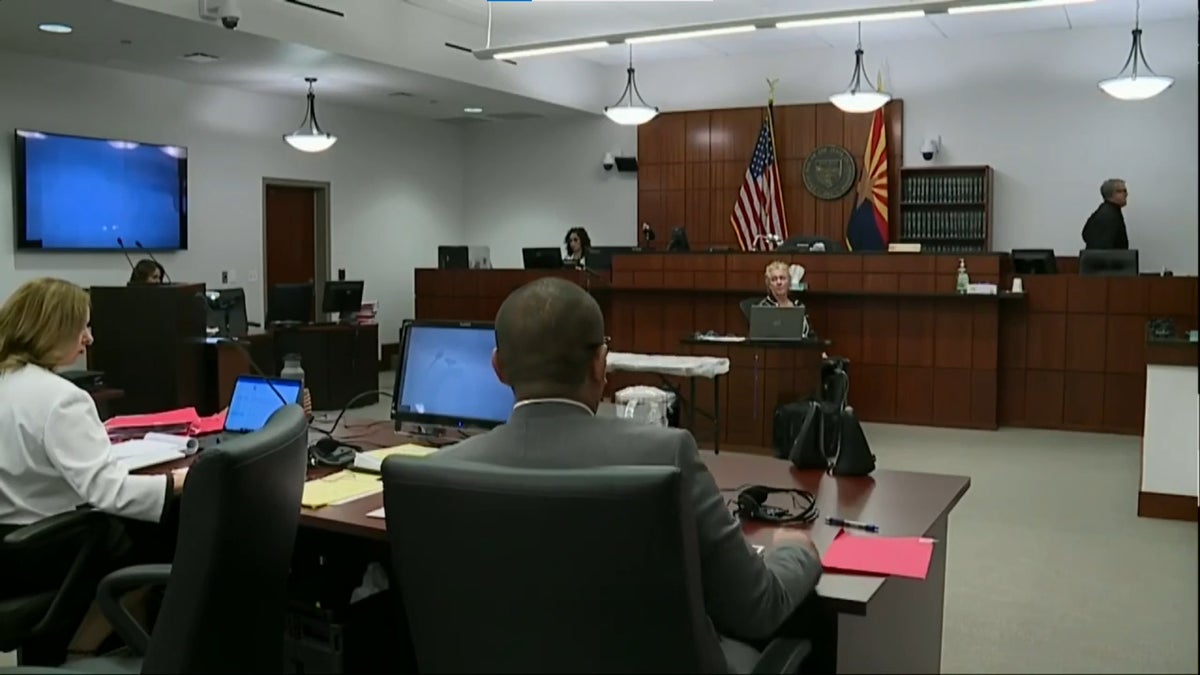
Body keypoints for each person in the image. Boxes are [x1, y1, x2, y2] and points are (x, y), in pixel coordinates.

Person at [437, 277, 822, 672]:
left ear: (497, 368)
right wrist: (796, 549)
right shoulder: (665, 454)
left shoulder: (440, 473)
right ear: (600, 364)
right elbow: (756, 607)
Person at [0, 278, 187, 624]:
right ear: (53, 331)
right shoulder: (61, 398)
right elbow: (108, 492)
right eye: (82, 327)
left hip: (8, 549)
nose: (89, 338)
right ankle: (87, 646)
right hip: (43, 551)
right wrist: (178, 480)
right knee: (172, 531)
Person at [758, 260, 814, 339]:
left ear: (789, 282)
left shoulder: (798, 305)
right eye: (774, 279)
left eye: (782, 278)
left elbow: (810, 335)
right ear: (769, 285)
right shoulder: (763, 308)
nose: (779, 282)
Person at [1081, 178, 1129, 250]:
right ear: (1112, 193)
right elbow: (1103, 251)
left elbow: (1085, 234)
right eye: (1123, 191)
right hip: (1106, 260)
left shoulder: (1107, 210)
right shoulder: (1108, 216)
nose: (1126, 194)